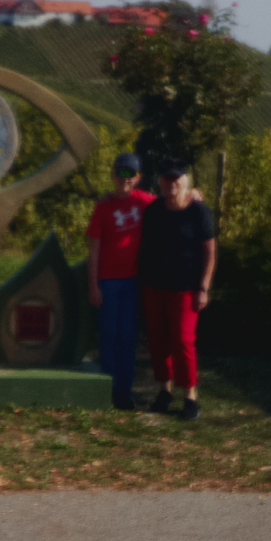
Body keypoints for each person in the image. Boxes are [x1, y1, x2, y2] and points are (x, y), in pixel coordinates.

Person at [138, 160, 216, 421]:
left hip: (186, 289)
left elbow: (210, 253)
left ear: (185, 181)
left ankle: (190, 396)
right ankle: (165, 391)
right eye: (167, 179)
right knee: (158, 340)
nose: (171, 184)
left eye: (176, 179)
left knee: (182, 341)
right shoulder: (153, 210)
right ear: (160, 182)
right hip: (154, 286)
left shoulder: (199, 211)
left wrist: (204, 287)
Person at [85, 153, 154, 409]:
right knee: (109, 336)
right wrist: (93, 285)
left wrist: (193, 194)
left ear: (138, 178)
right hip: (109, 282)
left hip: (133, 282)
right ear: (113, 175)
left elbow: (172, 202)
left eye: (130, 174)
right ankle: (107, 388)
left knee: (127, 337)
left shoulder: (144, 202)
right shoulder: (103, 207)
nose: (125, 179)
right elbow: (94, 249)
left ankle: (125, 390)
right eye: (120, 172)